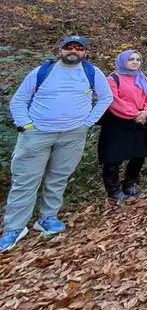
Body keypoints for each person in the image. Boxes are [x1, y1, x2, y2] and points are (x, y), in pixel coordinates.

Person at [2, 36, 113, 252]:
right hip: (37, 134)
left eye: (78, 48)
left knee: (59, 176)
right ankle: (14, 227)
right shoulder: (42, 72)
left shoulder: (91, 73)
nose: (73, 51)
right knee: (25, 180)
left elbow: (105, 97)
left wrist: (88, 122)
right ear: (60, 50)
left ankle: (47, 217)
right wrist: (25, 125)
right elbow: (19, 100)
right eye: (69, 47)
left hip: (73, 133)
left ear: (85, 52)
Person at [98, 50, 147, 205]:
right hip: (117, 121)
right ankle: (114, 191)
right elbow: (113, 100)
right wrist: (134, 114)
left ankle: (129, 183)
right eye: (131, 59)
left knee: (139, 154)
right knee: (113, 157)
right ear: (123, 61)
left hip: (139, 120)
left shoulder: (142, 78)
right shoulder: (113, 79)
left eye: (138, 59)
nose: (135, 62)